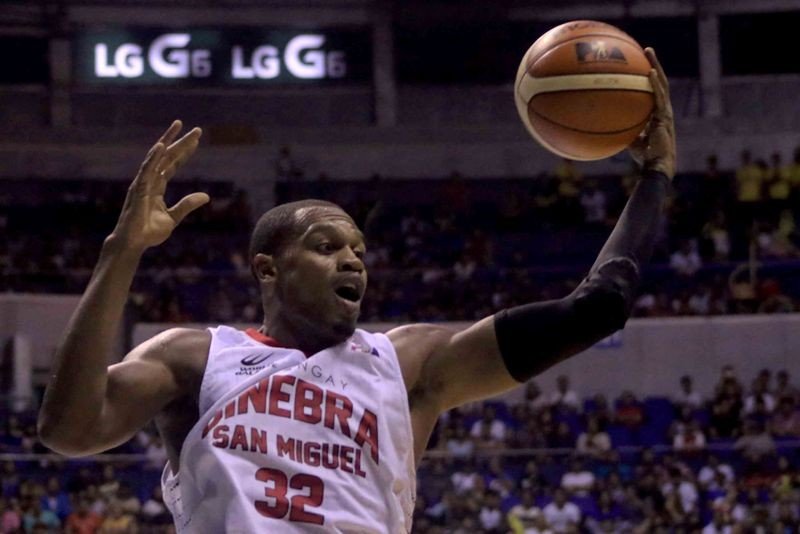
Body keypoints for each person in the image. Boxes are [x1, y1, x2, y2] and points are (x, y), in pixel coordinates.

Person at [37, 50, 675, 532]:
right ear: (267, 269)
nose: (352, 261)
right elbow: (69, 429)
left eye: (359, 252)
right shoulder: (196, 357)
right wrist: (120, 255)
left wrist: (654, 177)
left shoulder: (406, 363)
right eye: (326, 247)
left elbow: (597, 308)